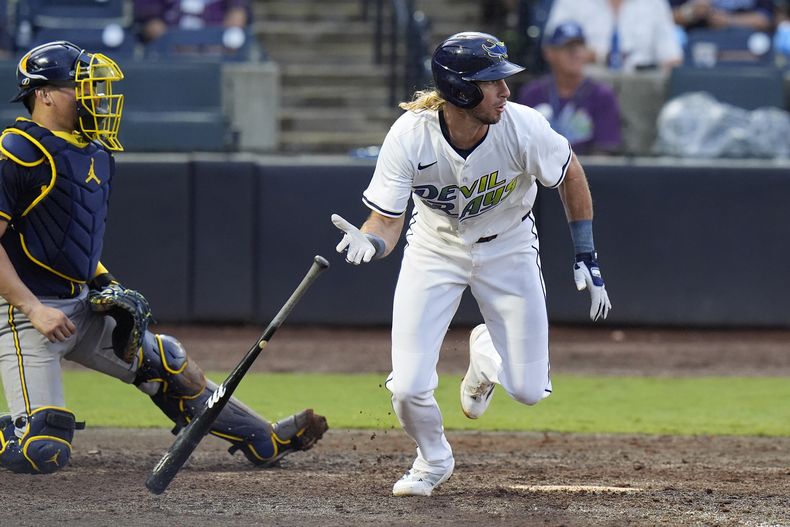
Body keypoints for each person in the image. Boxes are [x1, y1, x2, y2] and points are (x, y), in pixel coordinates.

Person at [0, 41, 327, 475]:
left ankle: (263, 440)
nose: (95, 96)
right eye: (82, 86)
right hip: (22, 312)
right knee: (42, 452)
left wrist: (105, 282)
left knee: (168, 362)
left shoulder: (94, 153)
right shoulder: (17, 150)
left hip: (77, 305)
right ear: (43, 94)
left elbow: (67, 243)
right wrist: (33, 308)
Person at [331, 32, 612, 497]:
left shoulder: (522, 126)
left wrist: (586, 252)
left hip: (510, 247)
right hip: (434, 248)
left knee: (527, 390)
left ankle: (486, 355)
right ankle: (433, 458)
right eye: (492, 82)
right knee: (407, 386)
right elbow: (385, 223)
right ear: (460, 90)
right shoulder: (409, 135)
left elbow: (570, 171)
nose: (505, 91)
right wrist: (370, 243)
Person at [518, 21, 623, 155]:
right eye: (567, 48)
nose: (575, 54)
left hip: (588, 171)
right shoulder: (532, 93)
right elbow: (519, 146)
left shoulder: (602, 95)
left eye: (579, 47)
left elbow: (605, 152)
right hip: (538, 170)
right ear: (549, 53)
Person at [545, 0, 683, 71]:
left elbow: (671, 57)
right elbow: (552, 46)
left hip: (641, 87)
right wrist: (601, 57)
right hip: (587, 86)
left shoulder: (654, 3)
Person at [134, 0, 250, 43]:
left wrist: (237, 10)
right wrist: (151, 20)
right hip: (171, 44)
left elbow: (238, 11)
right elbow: (148, 14)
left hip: (216, 43)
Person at [670, 0, 774, 32]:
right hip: (698, 41)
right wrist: (693, 11)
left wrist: (729, 20)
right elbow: (668, 18)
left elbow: (765, 20)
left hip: (746, 43)